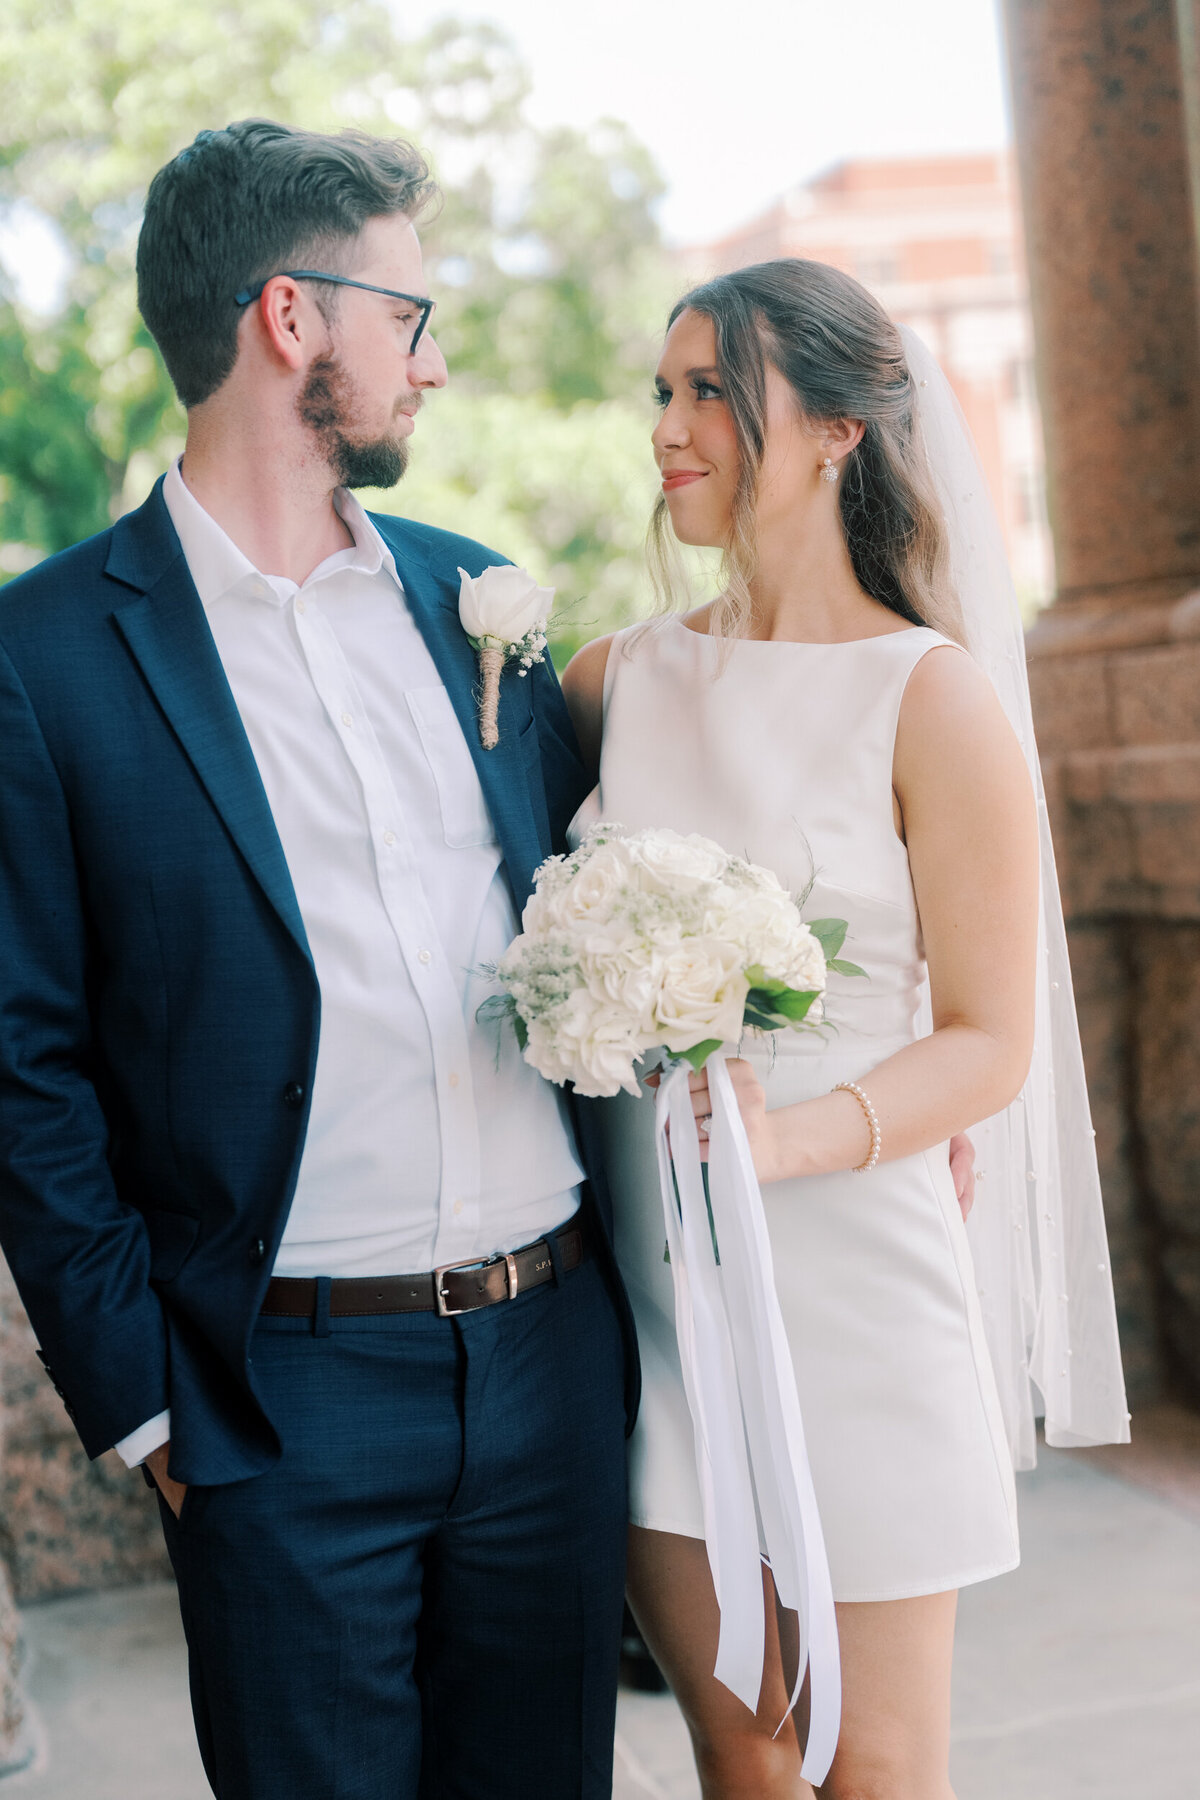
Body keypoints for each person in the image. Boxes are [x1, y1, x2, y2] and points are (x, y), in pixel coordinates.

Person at [0, 119, 636, 1800]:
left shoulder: (477, 599)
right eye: (410, 317)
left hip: (552, 1355)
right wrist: (146, 1409)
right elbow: (22, 1061)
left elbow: (605, 909)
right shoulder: (43, 658)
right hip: (275, 1401)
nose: (435, 362)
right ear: (294, 319)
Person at [563, 259, 1129, 1800]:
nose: (669, 430)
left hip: (857, 1290)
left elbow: (990, 1038)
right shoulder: (615, 683)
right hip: (665, 1311)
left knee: (873, 1773)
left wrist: (788, 1138)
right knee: (741, 1763)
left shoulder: (932, 703)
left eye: (710, 393)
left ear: (836, 433)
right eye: (662, 392)